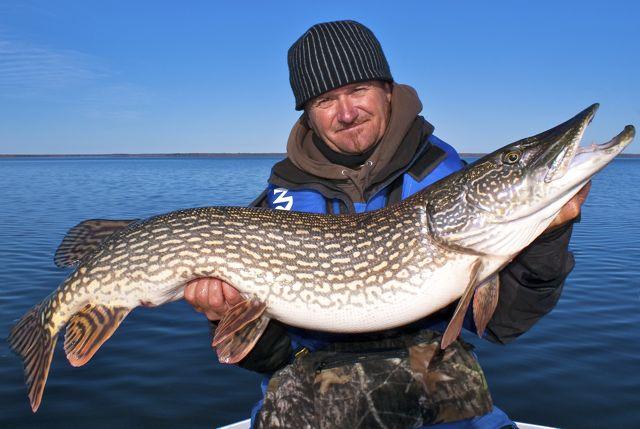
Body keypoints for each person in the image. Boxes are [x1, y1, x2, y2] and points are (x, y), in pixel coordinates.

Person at [185, 20, 589, 428]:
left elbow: (505, 324)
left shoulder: (449, 184)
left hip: (442, 402)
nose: (346, 112)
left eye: (358, 89)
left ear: (388, 90)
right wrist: (224, 314)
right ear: (308, 114)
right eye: (326, 99)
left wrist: (548, 235)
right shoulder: (273, 210)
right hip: (312, 404)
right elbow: (267, 358)